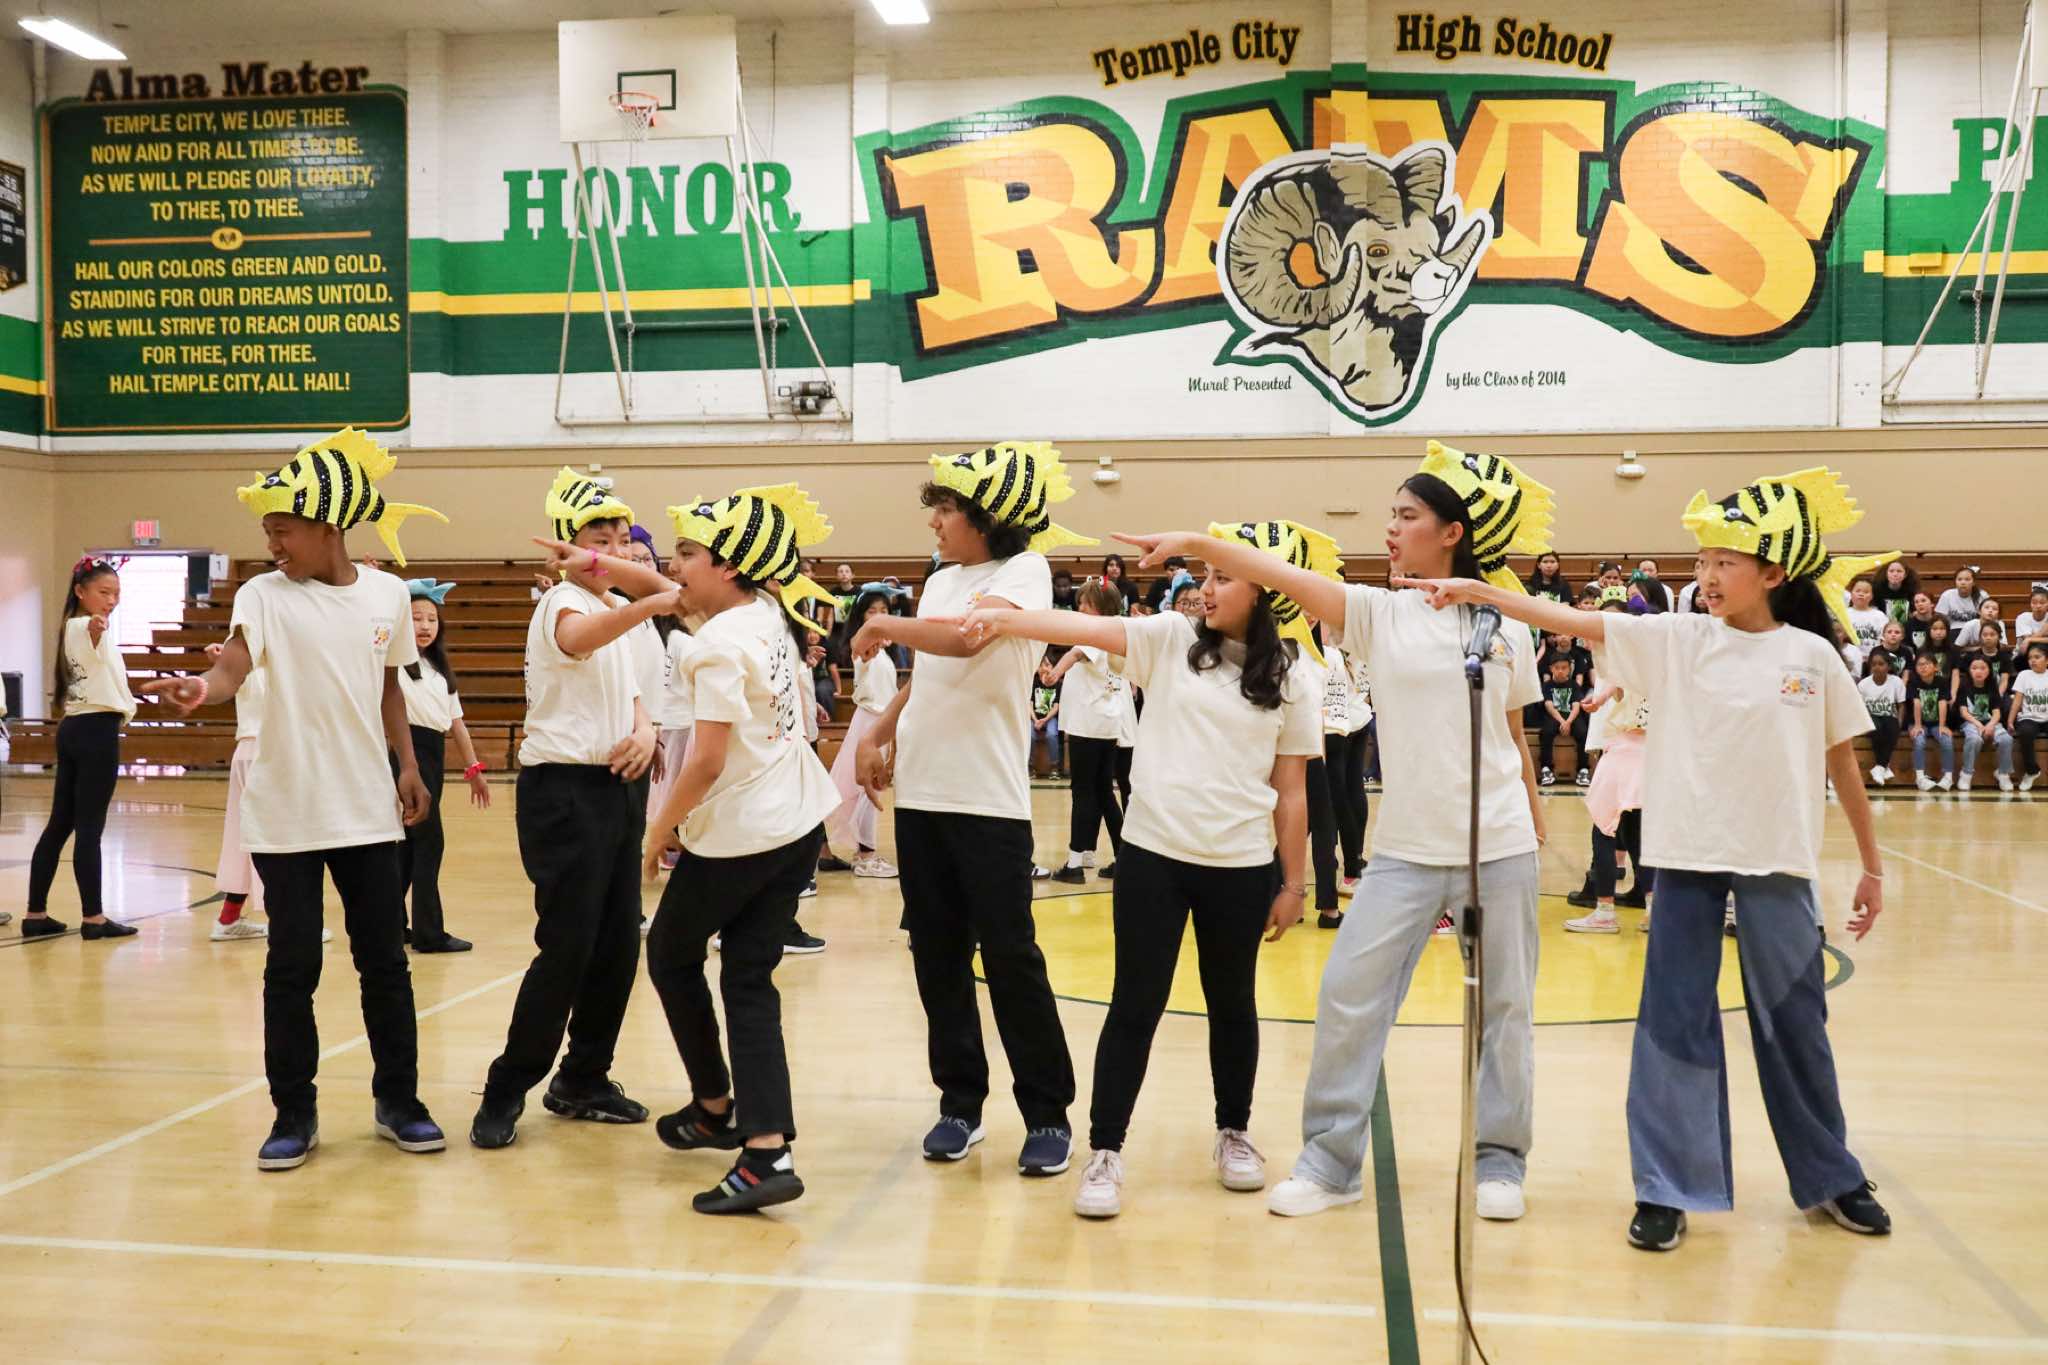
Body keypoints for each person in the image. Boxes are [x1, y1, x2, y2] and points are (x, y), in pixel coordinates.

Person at [1397, 463, 1896, 1252]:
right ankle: (1666, 1187)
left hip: (1779, 866)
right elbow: (1570, 617)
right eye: (1702, 562)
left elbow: (1843, 763)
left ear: (1772, 573)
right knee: (1673, 1025)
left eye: (1725, 562)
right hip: (1686, 861)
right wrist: (1480, 591)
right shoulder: (1675, 639)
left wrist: (1871, 865)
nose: (1707, 576)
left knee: (1797, 1026)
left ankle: (1833, 1175)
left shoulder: (1812, 656)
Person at [1121, 441, 1552, 1224]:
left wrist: (1534, 810)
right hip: (1405, 850)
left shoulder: (1506, 624)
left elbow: (1513, 731)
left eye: (1406, 515)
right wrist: (1193, 541)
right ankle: (1330, 1160)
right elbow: (1278, 573)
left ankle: (1499, 1160)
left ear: (1451, 532)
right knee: (1349, 994)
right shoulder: (1376, 614)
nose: (1391, 528)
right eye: (1391, 514)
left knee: (1505, 1009)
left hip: (1499, 843)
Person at [953, 516, 1330, 1219]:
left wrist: (1292, 882)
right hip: (1154, 858)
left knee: (1233, 1004)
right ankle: (1105, 1150)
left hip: (1240, 866)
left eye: (1223, 578)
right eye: (1205, 575)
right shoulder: (1169, 639)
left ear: (1264, 590)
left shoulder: (1290, 678)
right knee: (1135, 1004)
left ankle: (1234, 1131)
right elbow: (1083, 627)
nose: (1205, 589)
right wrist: (1006, 617)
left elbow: (1292, 792)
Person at [141, 427, 449, 1169]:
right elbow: (233, 667)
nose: (272, 543)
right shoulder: (262, 595)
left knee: (385, 964)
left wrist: (408, 766)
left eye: (283, 529)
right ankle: (293, 1113)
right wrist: (202, 687)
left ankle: (399, 1102)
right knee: (291, 969)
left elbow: (388, 688)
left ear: (329, 527)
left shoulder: (386, 594)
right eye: (268, 531)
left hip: (367, 811)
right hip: (286, 814)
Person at [589, 484, 845, 1215]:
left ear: (729, 566)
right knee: (748, 978)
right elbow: (676, 595)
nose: (675, 566)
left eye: (688, 553)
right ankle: (754, 1140)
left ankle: (725, 1114)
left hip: (746, 832)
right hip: (797, 820)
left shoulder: (715, 645)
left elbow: (703, 761)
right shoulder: (762, 610)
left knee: (672, 952)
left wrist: (657, 831)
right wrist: (599, 566)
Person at [850, 441, 1089, 1176]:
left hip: (988, 802)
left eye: (948, 509)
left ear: (987, 518)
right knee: (937, 957)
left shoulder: (1025, 571)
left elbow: (965, 639)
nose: (935, 522)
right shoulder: (940, 581)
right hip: (922, 797)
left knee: (1012, 959)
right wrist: (880, 731)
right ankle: (960, 1103)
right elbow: (930, 671)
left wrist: (884, 626)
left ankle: (1047, 1114)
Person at [469, 469, 666, 1152]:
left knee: (618, 944)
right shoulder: (563, 601)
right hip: (563, 793)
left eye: (619, 538)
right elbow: (582, 639)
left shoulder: (615, 608)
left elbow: (634, 698)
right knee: (568, 947)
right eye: (596, 538)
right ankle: (506, 1085)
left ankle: (584, 1077)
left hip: (617, 790)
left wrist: (645, 732)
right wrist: (648, 599)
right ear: (567, 545)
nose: (610, 549)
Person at [21, 555, 139, 941]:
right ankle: (94, 918)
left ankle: (35, 914)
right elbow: (91, 630)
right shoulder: (83, 626)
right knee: (90, 828)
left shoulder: (70, 628)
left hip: (75, 727)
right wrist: (96, 626)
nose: (112, 600)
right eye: (104, 592)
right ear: (80, 592)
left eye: (116, 593)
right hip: (95, 732)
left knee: (60, 824)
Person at [395, 579, 491, 952]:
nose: (424, 625)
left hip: (432, 755)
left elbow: (456, 724)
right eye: (416, 618)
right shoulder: (391, 664)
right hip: (406, 754)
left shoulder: (438, 669)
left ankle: (392, 926)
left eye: (431, 619)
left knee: (409, 847)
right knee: (428, 844)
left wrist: (473, 770)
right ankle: (429, 934)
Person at [1564, 594, 1653, 934]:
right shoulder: (1653, 660)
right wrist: (1599, 698)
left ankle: (1604, 911)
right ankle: (1654, 909)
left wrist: (1598, 699)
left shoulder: (1620, 663)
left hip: (1625, 752)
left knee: (1603, 830)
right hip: (1651, 755)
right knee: (1638, 835)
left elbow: (1609, 686)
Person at [1047, 579, 1129, 883]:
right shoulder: (1116, 633)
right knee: (1103, 793)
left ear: (1102, 607)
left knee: (1082, 793)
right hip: (1105, 723)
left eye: (1086, 603)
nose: (1080, 607)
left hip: (1089, 724)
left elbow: (1074, 655)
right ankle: (1120, 857)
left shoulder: (1096, 634)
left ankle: (1074, 864)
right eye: (1079, 601)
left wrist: (1055, 673)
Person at [824, 588, 903, 876]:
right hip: (870, 721)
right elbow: (863, 658)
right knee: (866, 788)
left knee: (868, 788)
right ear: (861, 616)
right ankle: (866, 856)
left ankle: (863, 851)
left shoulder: (886, 649)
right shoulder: (864, 646)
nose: (879, 615)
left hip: (880, 722)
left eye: (884, 610)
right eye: (872, 611)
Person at [1953, 656, 2014, 793]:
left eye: (1983, 668)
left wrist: (1990, 725)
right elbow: (1964, 712)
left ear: (1989, 670)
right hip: (1970, 722)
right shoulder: (1963, 687)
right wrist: (1979, 725)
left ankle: (2003, 773)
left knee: (2006, 739)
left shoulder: (1992, 687)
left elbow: (1997, 713)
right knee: (1974, 739)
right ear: (1969, 670)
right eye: (1974, 668)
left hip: (1990, 722)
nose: (1978, 671)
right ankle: (1966, 773)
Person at [1536, 653, 1591, 786]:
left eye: (1564, 668)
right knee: (1546, 732)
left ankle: (1583, 770)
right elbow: (1549, 705)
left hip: (1571, 716)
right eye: (1557, 668)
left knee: (1583, 732)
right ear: (1551, 668)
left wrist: (1568, 722)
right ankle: (1546, 769)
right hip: (1554, 716)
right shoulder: (1547, 686)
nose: (1560, 671)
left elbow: (1576, 706)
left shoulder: (1574, 685)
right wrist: (1562, 722)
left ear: (1569, 669)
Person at [1857, 648, 1905, 786]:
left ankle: (1880, 767)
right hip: (1870, 717)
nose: (1877, 667)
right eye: (1873, 664)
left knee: (1892, 726)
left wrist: (1899, 723)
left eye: (1881, 664)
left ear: (1888, 666)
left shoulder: (1896, 682)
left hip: (1889, 718)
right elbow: (1860, 709)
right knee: (1876, 726)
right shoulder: (1863, 684)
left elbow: (1901, 705)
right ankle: (1884, 766)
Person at [1908, 652, 1955, 791]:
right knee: (1919, 740)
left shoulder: (1942, 682)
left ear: (1936, 667)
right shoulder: (1913, 682)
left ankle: (1948, 777)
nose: (1923, 667)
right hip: (1918, 722)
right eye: (1920, 664)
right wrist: (1917, 725)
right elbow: (1916, 703)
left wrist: (1942, 725)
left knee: (1947, 740)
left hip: (1936, 723)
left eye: (1927, 664)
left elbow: (1942, 703)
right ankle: (1920, 777)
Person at [2009, 643, 2048, 793]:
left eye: (2037, 657)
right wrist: (2010, 720)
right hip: (2029, 718)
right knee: (2025, 732)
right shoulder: (2024, 675)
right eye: (2030, 657)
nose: (2033, 660)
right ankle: (2032, 771)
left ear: (2047, 660)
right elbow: (2017, 700)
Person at [1030, 654, 1063, 778]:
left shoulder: (1058, 684)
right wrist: (1035, 719)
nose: (1044, 668)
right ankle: (1029, 767)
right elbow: (1029, 704)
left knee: (1051, 734)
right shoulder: (1033, 682)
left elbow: (1056, 706)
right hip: (1034, 717)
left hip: (1050, 718)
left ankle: (1055, 767)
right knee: (1030, 735)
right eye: (1041, 665)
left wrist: (1044, 720)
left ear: (1054, 668)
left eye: (1047, 665)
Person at [1843, 579, 1887, 664]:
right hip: (1850, 660)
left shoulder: (1879, 616)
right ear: (1851, 594)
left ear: (1872, 596)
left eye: (1866, 592)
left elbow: (1884, 640)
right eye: (1858, 591)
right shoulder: (1844, 614)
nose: (1861, 594)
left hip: (1874, 660)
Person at [1872, 559, 1921, 625]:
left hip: (1905, 626)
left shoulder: (1912, 590)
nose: (1895, 574)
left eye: (1899, 571)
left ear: (1905, 575)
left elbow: (1914, 611)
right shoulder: (1876, 589)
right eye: (1891, 571)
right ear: (1886, 574)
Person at [2013, 585, 2048, 653]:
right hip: (2024, 654)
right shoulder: (2022, 617)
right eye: (2034, 603)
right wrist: (2045, 628)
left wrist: (2029, 639)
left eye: (2042, 603)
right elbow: (2030, 644)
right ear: (2030, 604)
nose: (2038, 606)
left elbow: (2029, 640)